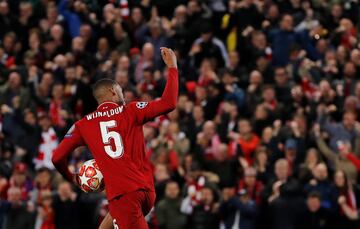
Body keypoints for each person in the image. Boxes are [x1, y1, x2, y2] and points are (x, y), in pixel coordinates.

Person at [51, 47, 178, 229]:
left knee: (122, 211)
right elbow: (169, 103)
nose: (123, 96)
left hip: (123, 195)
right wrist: (172, 67)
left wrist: (73, 178)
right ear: (112, 92)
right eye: (120, 92)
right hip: (147, 191)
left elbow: (56, 158)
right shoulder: (132, 110)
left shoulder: (83, 125)